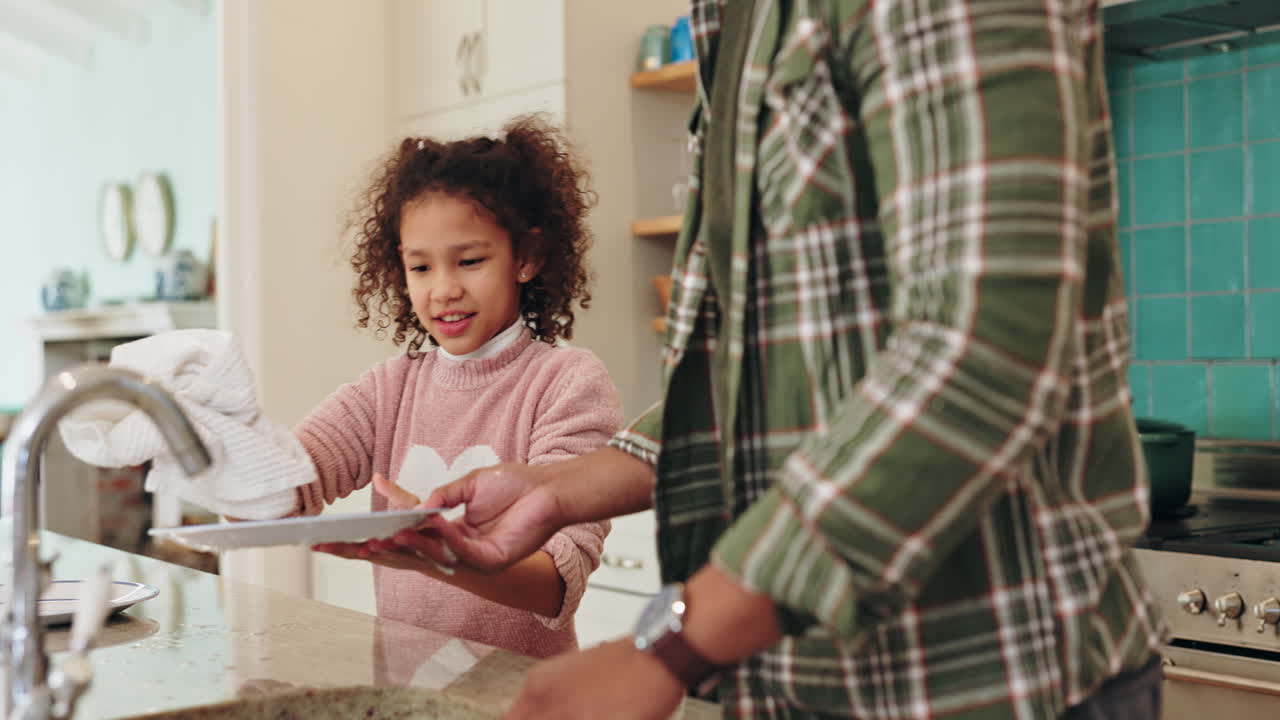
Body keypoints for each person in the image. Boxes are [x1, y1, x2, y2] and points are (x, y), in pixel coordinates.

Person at [382, 2, 1168, 719]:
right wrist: (556, 490)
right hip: (802, 683)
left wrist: (673, 646)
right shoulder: (744, 24)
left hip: (988, 684)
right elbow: (761, 384)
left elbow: (985, 344)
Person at [296, 113, 623, 661]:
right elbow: (292, 480)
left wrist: (441, 555)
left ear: (527, 257)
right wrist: (224, 452)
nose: (444, 290)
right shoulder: (389, 389)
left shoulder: (567, 385)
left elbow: (556, 583)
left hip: (528, 700)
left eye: (469, 261)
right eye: (420, 268)